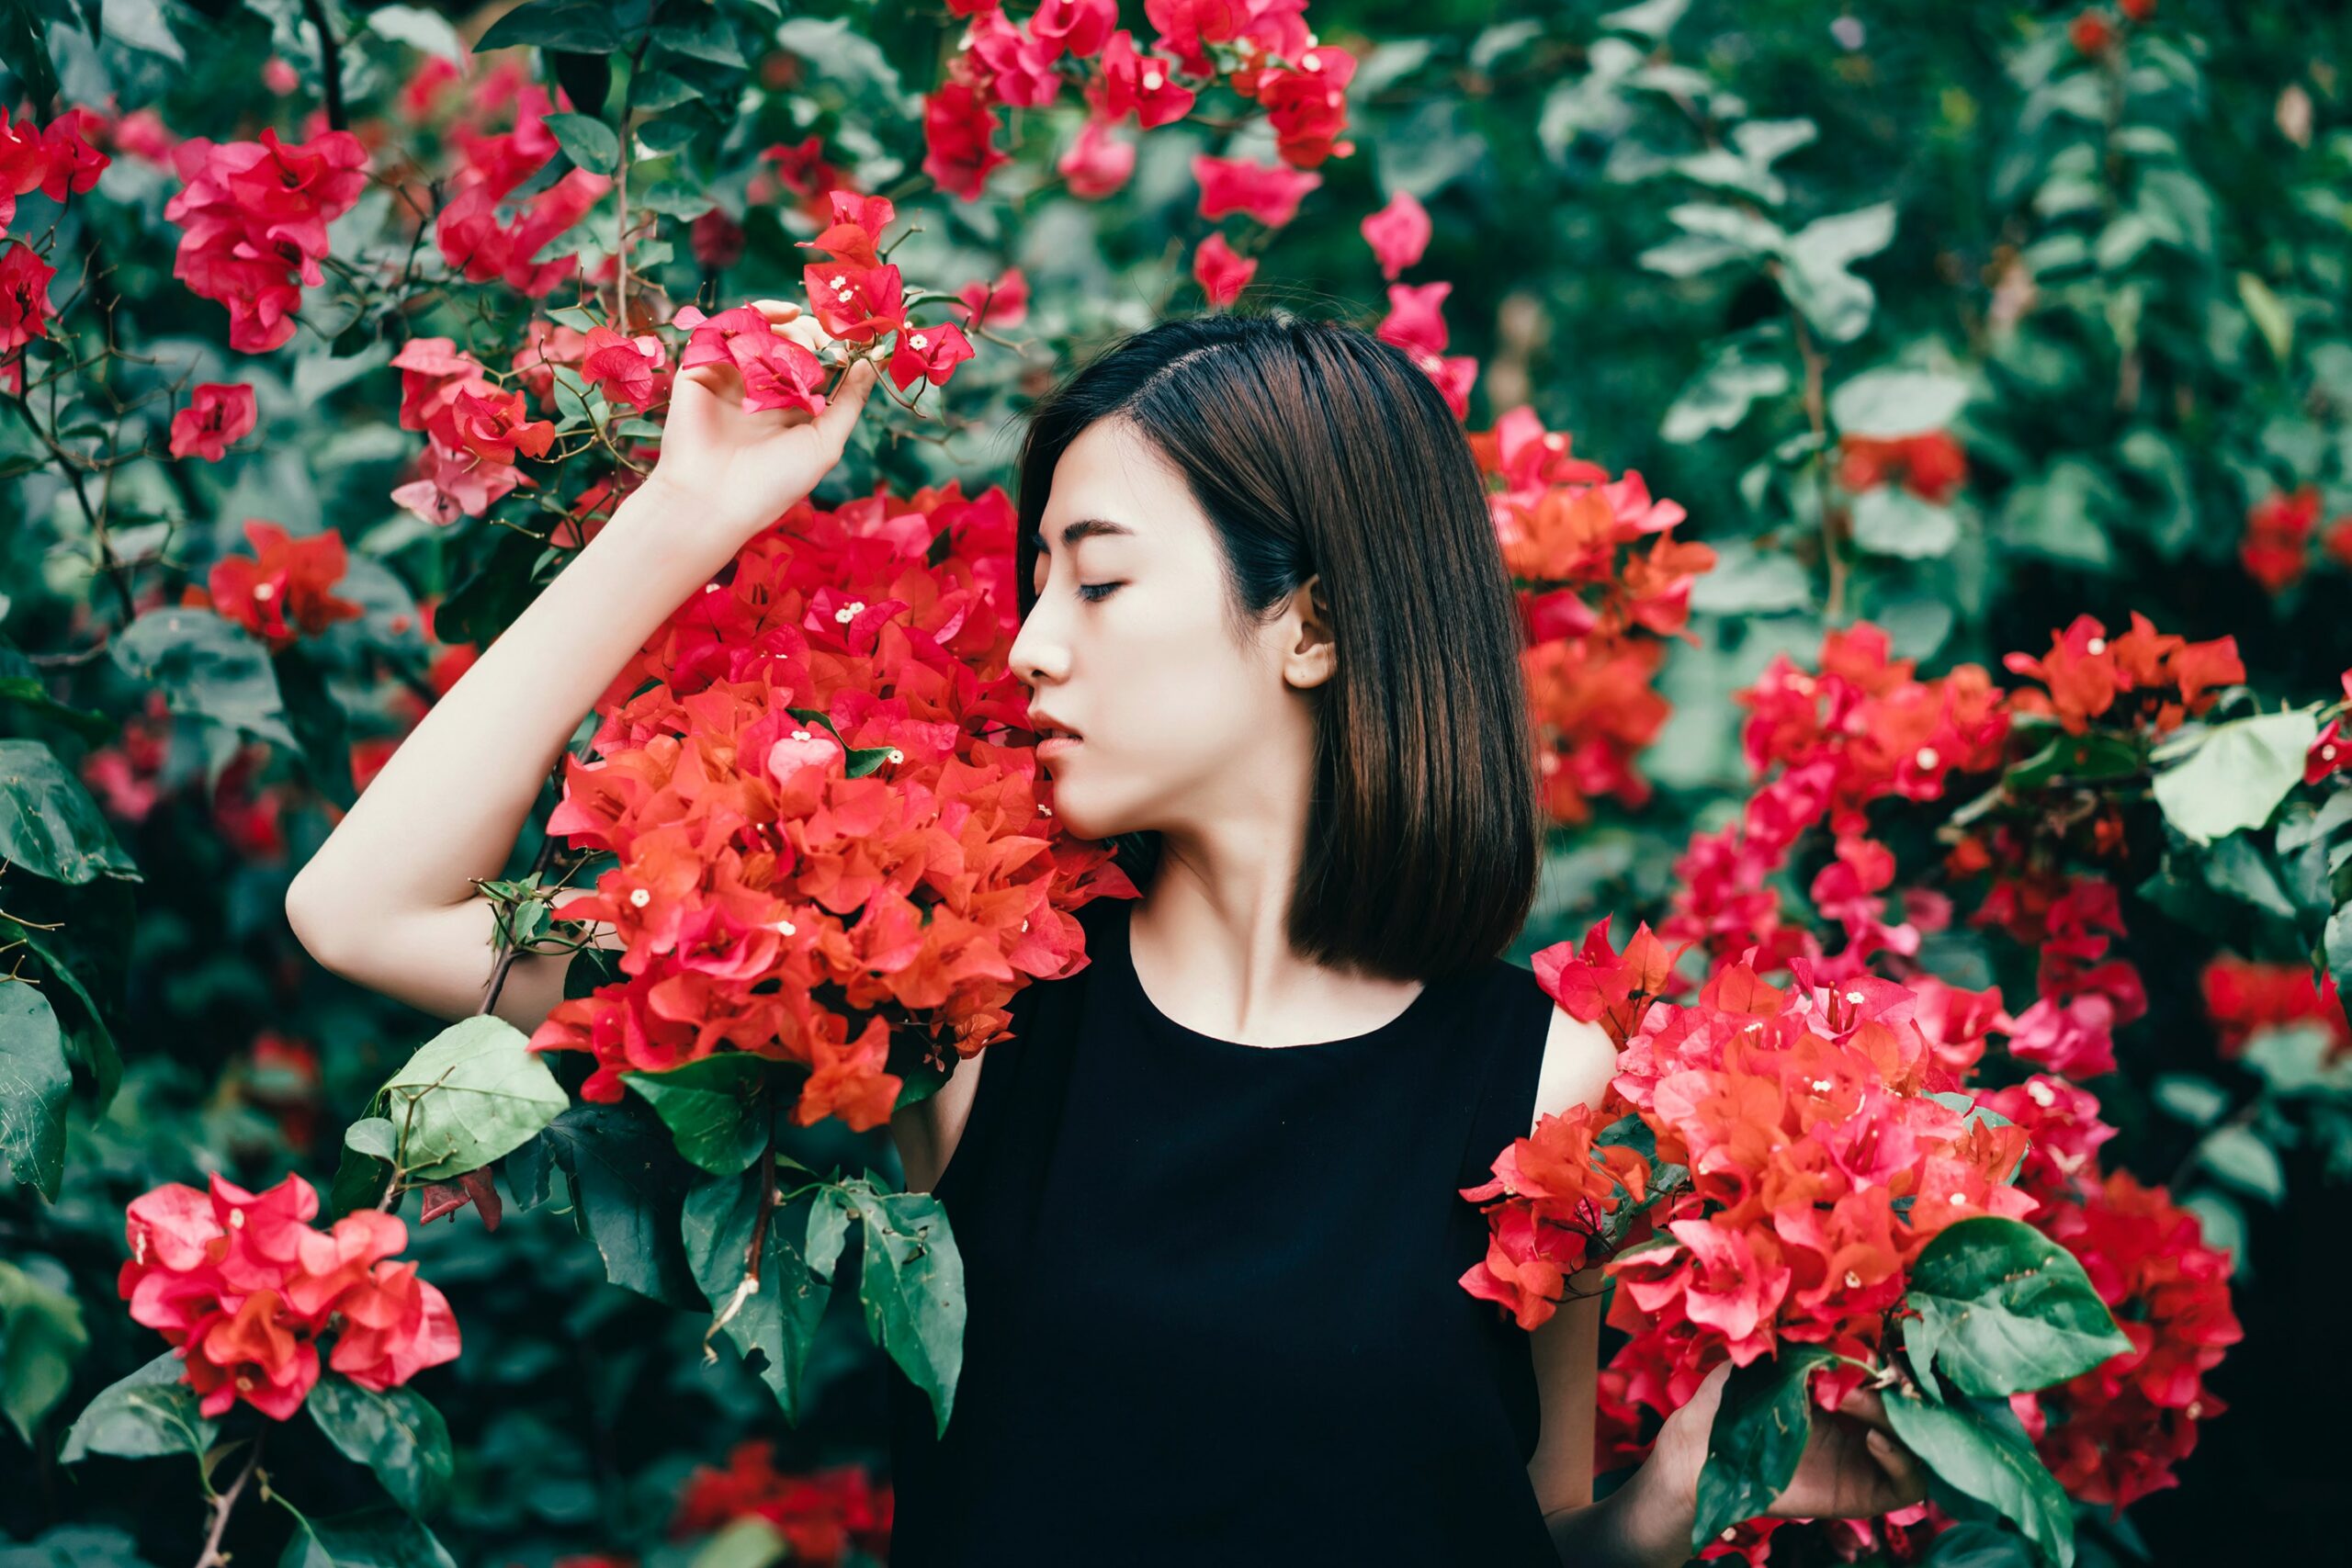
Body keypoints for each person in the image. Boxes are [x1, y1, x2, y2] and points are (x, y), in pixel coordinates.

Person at [286, 301, 1927, 1566]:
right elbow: (367, 909)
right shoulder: (958, 1021)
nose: (1027, 648)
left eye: (1097, 582)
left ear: (1314, 622)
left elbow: (1501, 1531)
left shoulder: (1556, 1086)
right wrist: (686, 507)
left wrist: (1666, 1512)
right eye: (1033, 583)